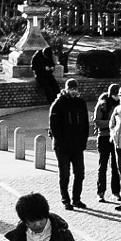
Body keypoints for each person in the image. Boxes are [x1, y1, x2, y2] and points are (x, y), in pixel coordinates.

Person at [49, 77, 91, 208]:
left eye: (75, 89)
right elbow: (54, 127)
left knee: (80, 173)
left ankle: (76, 199)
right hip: (62, 146)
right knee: (65, 174)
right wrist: (62, 142)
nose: (73, 92)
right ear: (66, 89)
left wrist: (83, 142)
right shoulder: (58, 104)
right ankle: (65, 199)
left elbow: (85, 125)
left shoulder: (80, 103)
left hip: (77, 145)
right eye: (71, 89)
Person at [94, 82, 121, 199]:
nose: (117, 97)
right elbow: (97, 121)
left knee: (116, 166)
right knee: (103, 165)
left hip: (115, 137)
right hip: (104, 136)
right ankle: (101, 192)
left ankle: (116, 191)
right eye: (115, 95)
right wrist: (112, 123)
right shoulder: (102, 104)